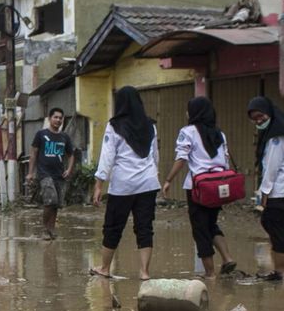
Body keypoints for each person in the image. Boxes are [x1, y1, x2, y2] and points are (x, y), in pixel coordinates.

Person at [162, 97, 237, 279]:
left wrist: (168, 180)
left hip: (198, 188)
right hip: (218, 185)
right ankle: (227, 258)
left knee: (200, 229)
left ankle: (209, 273)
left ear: (194, 112)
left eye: (188, 110)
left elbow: (182, 159)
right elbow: (225, 160)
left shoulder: (188, 132)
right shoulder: (220, 133)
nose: (186, 113)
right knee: (211, 224)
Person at [91, 87, 160, 280]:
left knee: (113, 226)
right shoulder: (150, 125)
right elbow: (155, 155)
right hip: (148, 183)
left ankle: (104, 268)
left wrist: (98, 185)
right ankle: (144, 272)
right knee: (145, 227)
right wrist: (156, 174)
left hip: (123, 185)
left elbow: (107, 157)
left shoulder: (114, 126)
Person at [249, 96, 284, 281]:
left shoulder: (277, 138)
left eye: (261, 116)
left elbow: (272, 167)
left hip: (280, 187)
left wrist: (264, 192)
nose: (259, 121)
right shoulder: (280, 131)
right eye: (255, 119)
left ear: (270, 114)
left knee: (275, 225)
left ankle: (280, 272)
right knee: (271, 223)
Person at [28, 107, 76, 239]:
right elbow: (33, 153)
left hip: (59, 175)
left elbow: (71, 155)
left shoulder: (64, 137)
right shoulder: (41, 135)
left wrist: (69, 169)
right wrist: (30, 173)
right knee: (50, 200)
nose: (58, 120)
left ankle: (51, 229)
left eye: (60, 118)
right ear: (50, 119)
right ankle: (45, 229)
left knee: (56, 204)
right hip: (44, 174)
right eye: (55, 117)